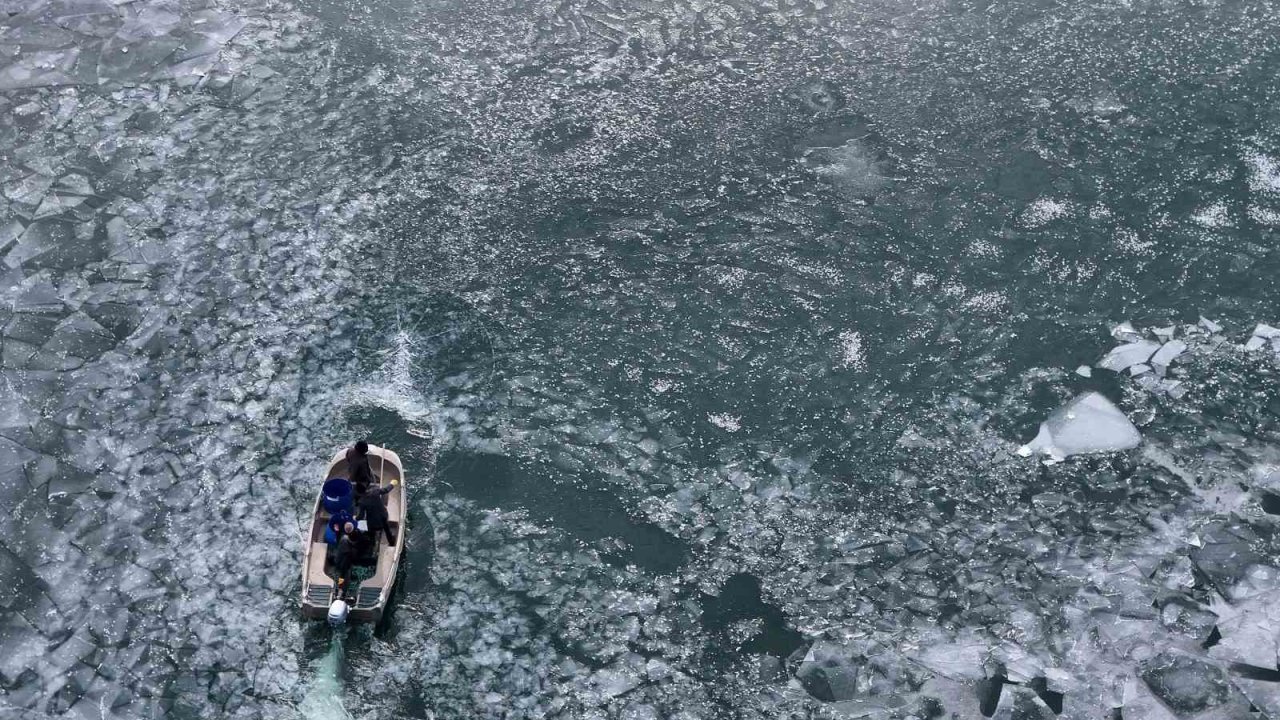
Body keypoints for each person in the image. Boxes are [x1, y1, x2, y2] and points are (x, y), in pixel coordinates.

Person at [358, 478, 398, 546]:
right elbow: (386, 490)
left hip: (373, 524)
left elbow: (361, 516)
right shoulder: (375, 491)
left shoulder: (361, 502)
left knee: (368, 529)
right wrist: (392, 484)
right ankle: (391, 541)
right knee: (387, 529)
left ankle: (372, 543)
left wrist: (355, 518)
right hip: (383, 517)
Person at [333, 522, 359, 599]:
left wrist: (337, 531)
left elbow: (338, 539)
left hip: (339, 559)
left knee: (342, 574)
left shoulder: (342, 538)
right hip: (346, 561)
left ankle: (340, 588)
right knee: (343, 575)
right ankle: (341, 590)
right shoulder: (349, 539)